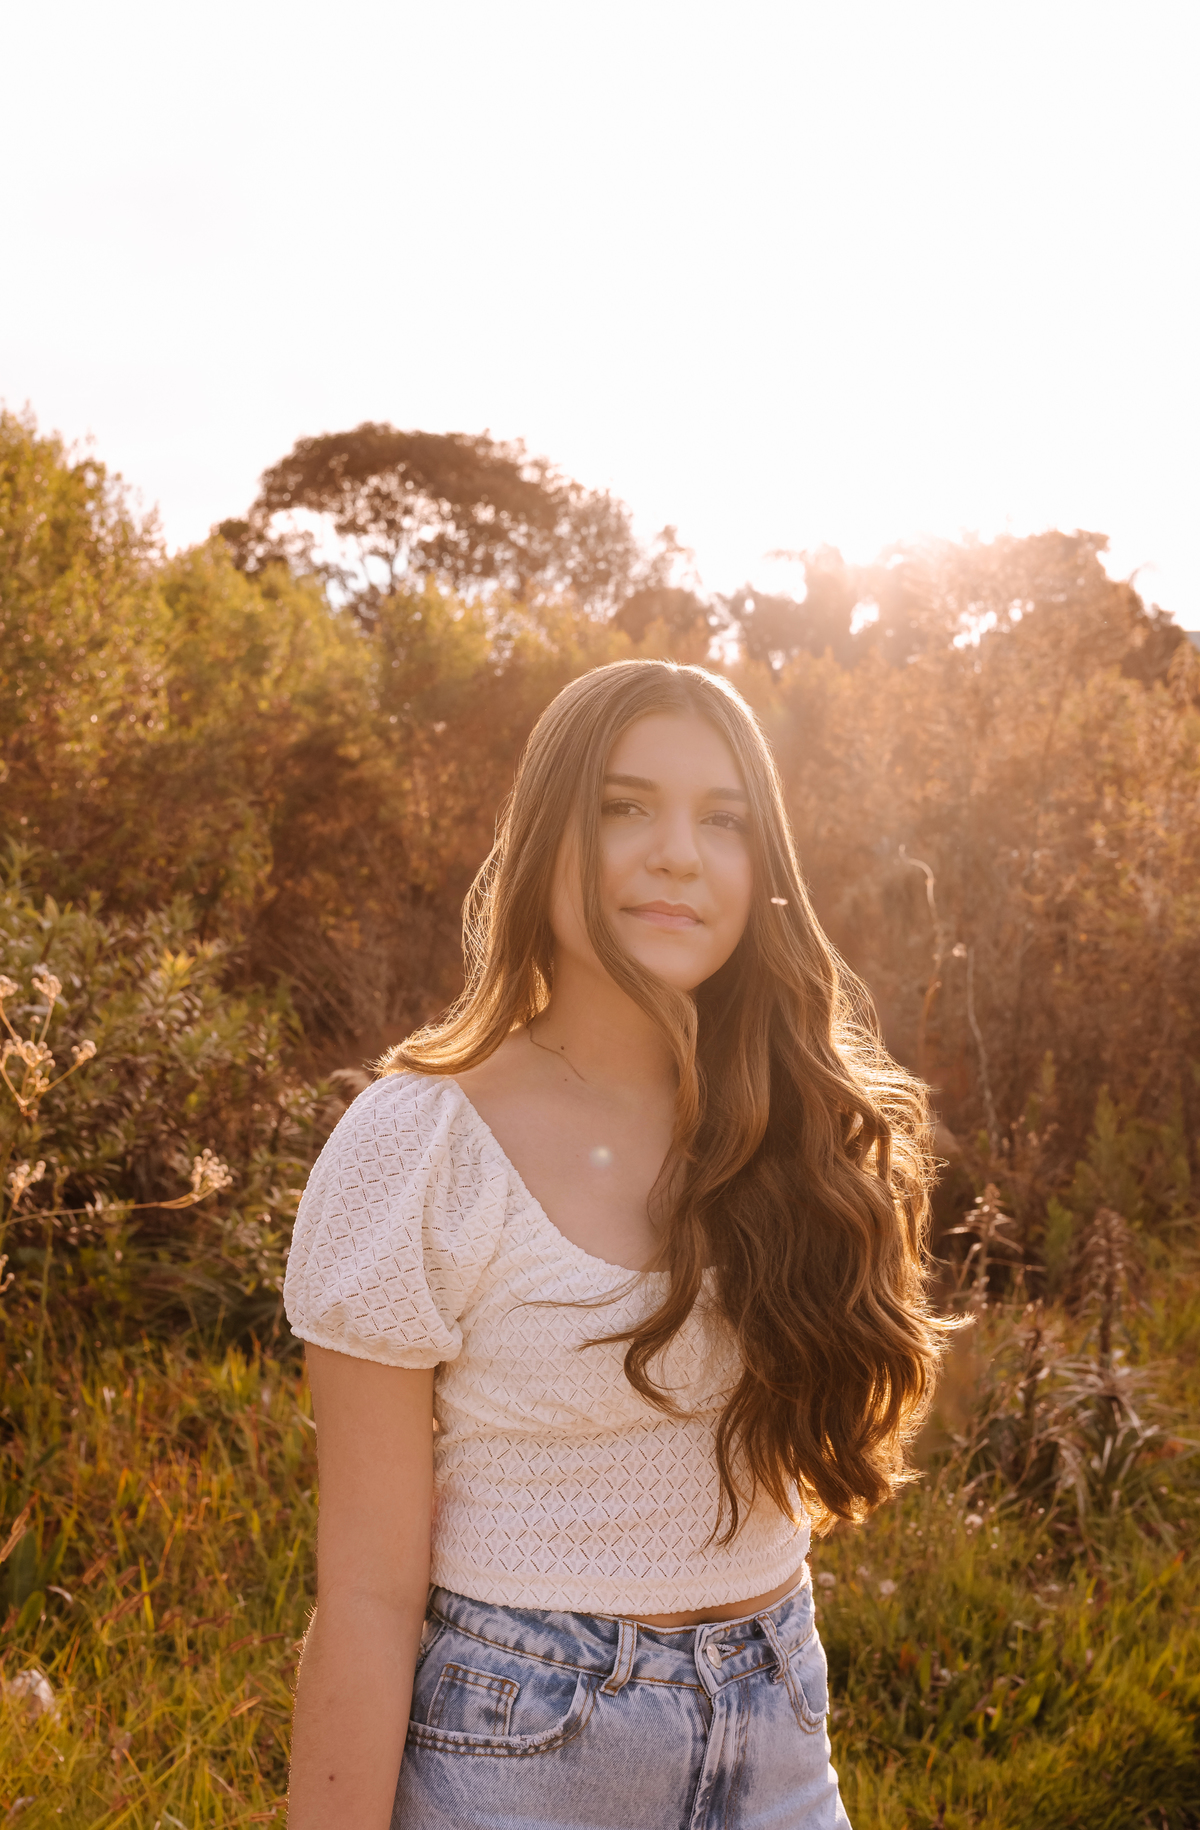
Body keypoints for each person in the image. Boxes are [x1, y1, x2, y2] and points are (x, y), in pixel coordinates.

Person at [284, 659, 945, 1829]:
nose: (678, 852)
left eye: (723, 819)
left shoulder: (796, 1124)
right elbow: (369, 1596)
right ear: (547, 839)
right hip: (517, 1740)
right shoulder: (420, 1145)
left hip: (778, 1715)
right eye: (625, 807)